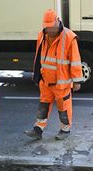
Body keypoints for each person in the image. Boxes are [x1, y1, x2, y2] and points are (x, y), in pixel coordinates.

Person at [24, 9, 83, 141]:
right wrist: (37, 76)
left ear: (57, 21)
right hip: (45, 80)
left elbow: (75, 60)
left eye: (51, 27)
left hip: (61, 82)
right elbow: (39, 56)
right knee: (43, 106)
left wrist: (77, 81)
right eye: (47, 27)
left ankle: (65, 130)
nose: (49, 30)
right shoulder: (42, 35)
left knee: (63, 109)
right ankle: (38, 129)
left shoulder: (69, 37)